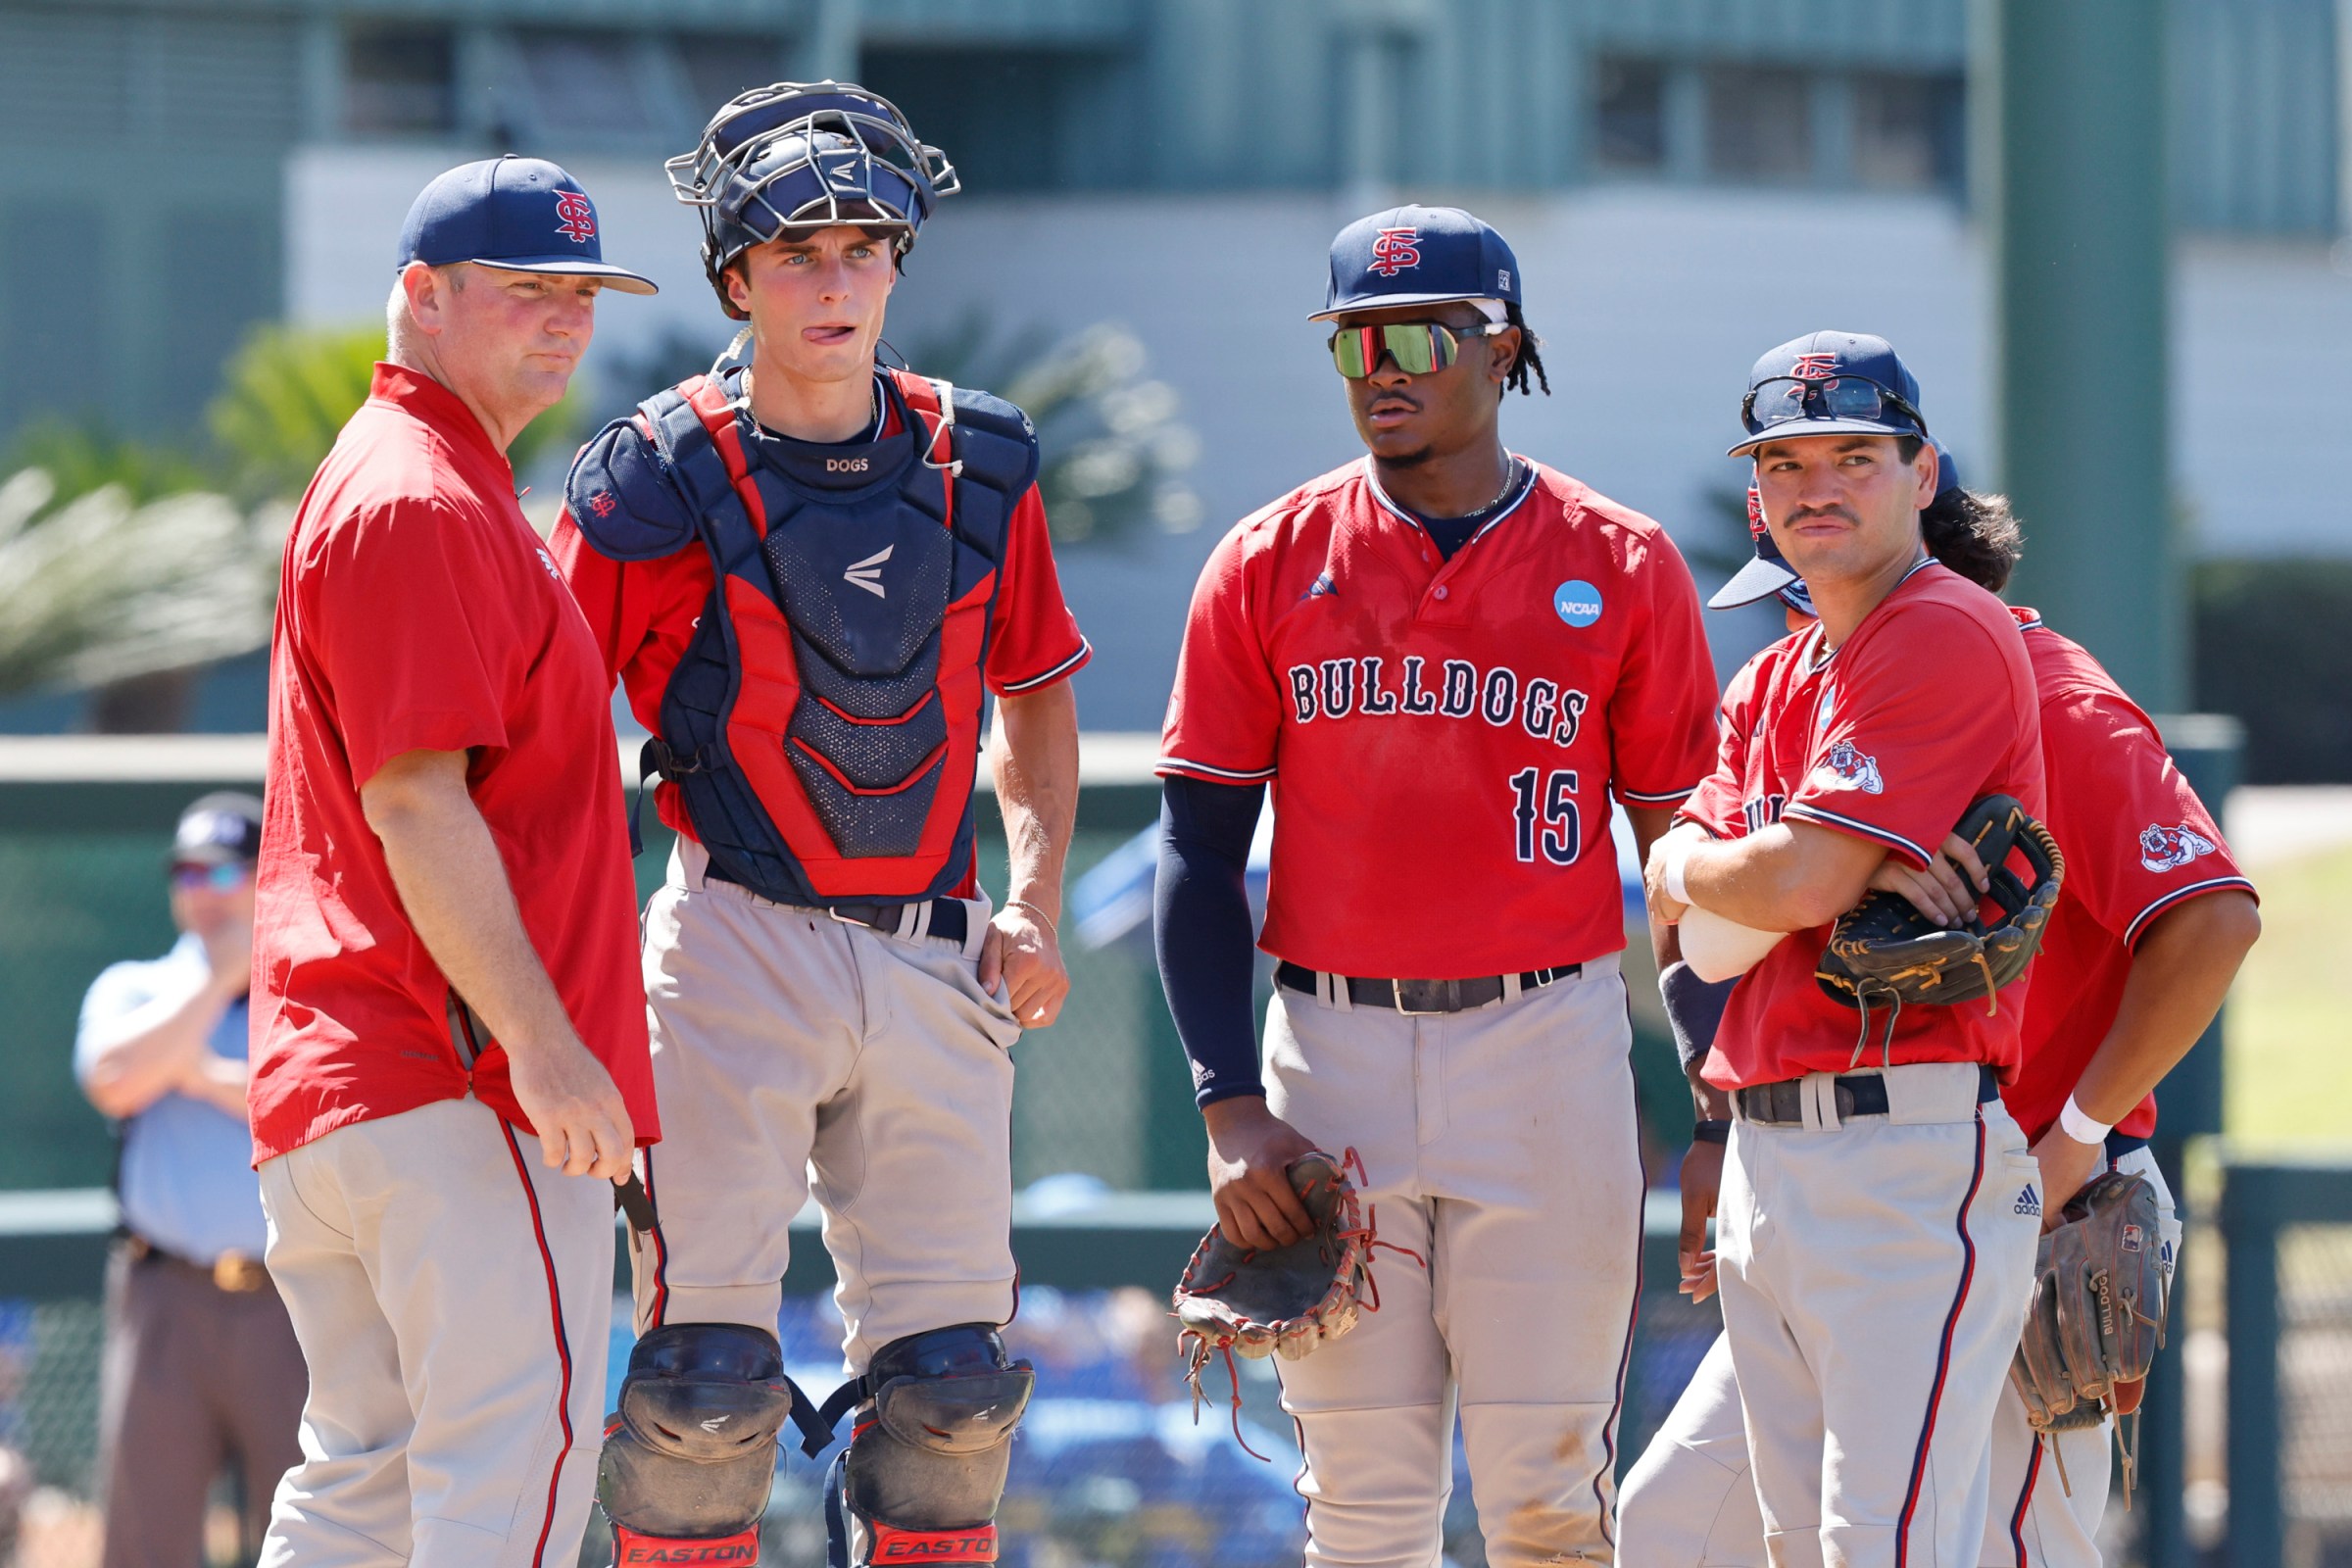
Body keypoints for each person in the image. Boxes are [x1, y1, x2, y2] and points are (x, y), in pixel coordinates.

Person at [551, 82, 1088, 1568]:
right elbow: (539, 737)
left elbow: (1036, 700)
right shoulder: (654, 475)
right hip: (729, 944)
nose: (836, 279)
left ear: (904, 261)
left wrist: (1033, 901)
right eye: (796, 252)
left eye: (864, 244)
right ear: (736, 277)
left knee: (957, 1401)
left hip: (935, 954)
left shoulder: (981, 463)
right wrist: (571, 979)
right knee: (700, 1400)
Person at [1152, 205, 1719, 1568]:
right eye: (1354, 342)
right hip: (1331, 1052)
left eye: (1415, 334)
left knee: (1544, 1500)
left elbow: (1687, 864)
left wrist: (1714, 1099)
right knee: (1363, 1502)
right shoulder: (1269, 560)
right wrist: (1230, 1107)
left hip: (1547, 1039)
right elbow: (1196, 853)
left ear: (1500, 343)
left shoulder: (1621, 563)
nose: (1380, 368)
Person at [1618, 458, 2262, 1568]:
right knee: (1680, 1521)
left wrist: (2075, 1139)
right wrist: (1723, 1130)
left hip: (2026, 1184)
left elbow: (2211, 923)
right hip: (1843, 1180)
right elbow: (1729, 941)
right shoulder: (1800, 698)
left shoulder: (2048, 692)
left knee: (1991, 1547)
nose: (1802, 609)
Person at [248, 156, 660, 1568]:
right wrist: (546, 1052)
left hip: (356, 1081)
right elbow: (418, 802)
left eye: (582, 295)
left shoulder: (427, 480)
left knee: (362, 1488)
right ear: (420, 297)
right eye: (526, 291)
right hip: (459, 1075)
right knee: (509, 1480)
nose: (564, 321)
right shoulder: (420, 493)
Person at [1642, 330, 2047, 1568]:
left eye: (1855, 455)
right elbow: (1693, 933)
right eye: (1786, 460)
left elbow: (1795, 876)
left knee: (1883, 1546)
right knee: (1776, 1544)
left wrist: (1778, 868)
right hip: (1771, 1150)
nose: (1816, 484)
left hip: (1905, 1154)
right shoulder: (1771, 678)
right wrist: (1693, 868)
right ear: (1756, 492)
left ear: (1922, 474)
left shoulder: (1943, 629)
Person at [76, 793, 305, 1568]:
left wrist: (194, 1073)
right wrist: (214, 983)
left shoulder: (306, 990)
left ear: (265, 873)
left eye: (225, 868)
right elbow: (113, 1081)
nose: (204, 888)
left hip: (296, 1301)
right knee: (145, 1541)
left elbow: (316, 1105)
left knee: (313, 1529)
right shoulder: (133, 986)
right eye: (188, 870)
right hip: (163, 1298)